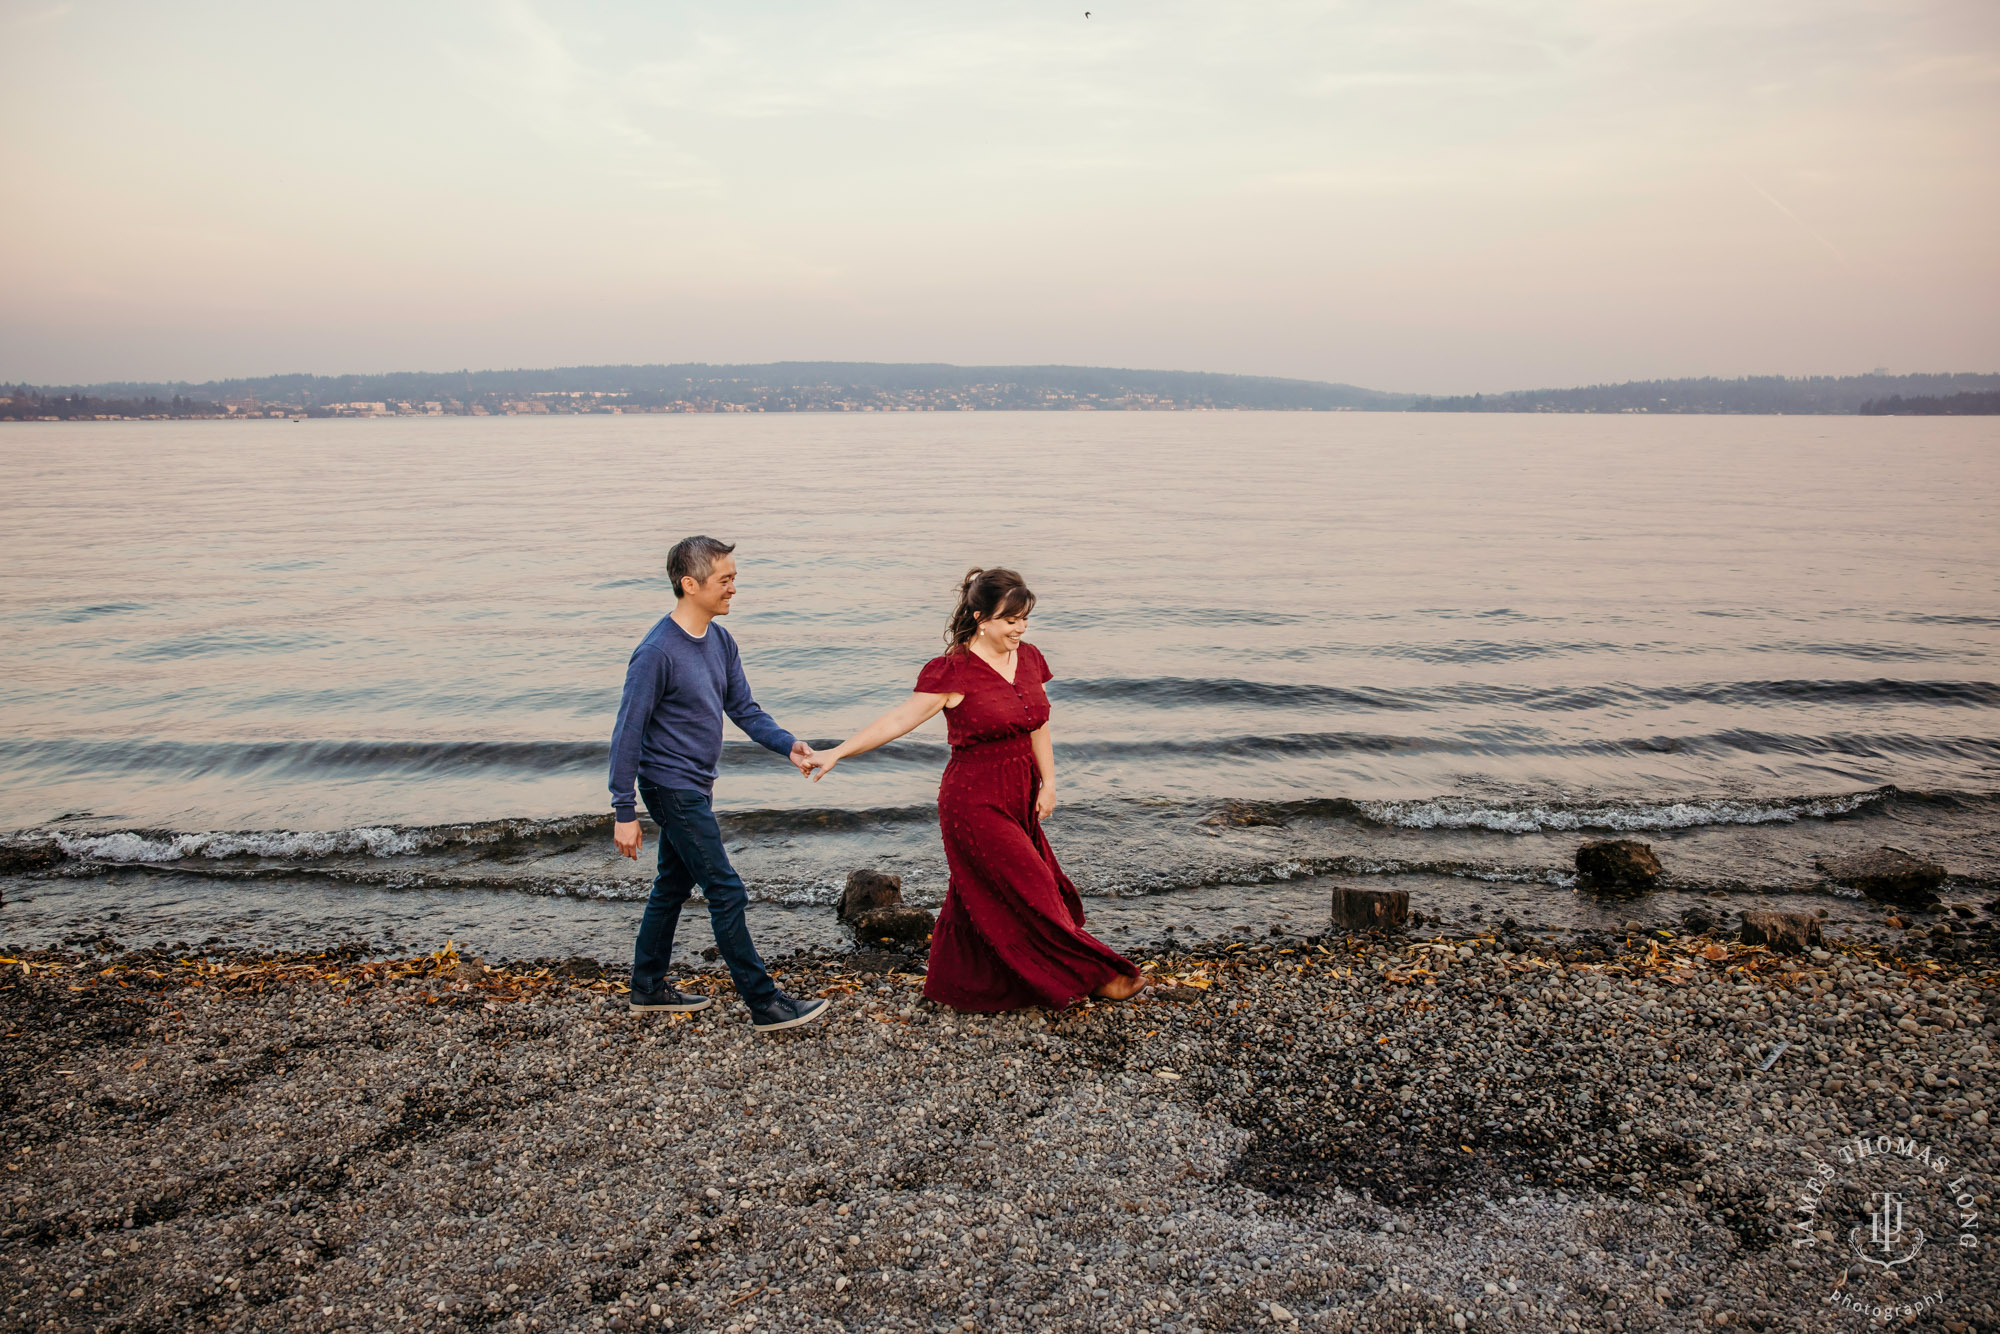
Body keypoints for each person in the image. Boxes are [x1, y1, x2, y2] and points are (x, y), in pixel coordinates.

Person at [802, 567, 1144, 1011]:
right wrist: (837, 752)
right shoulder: (954, 671)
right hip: (974, 799)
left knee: (978, 894)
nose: (1020, 628)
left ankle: (962, 986)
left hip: (1022, 791)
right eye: (1010, 620)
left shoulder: (1031, 658)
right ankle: (1096, 975)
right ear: (981, 618)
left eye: (1024, 619)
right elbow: (898, 720)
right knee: (1035, 888)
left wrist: (1051, 783)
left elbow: (1039, 725)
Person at [608, 535, 832, 1033]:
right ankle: (764, 1002)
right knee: (727, 890)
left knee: (672, 882)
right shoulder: (655, 653)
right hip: (670, 787)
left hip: (696, 784)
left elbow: (743, 708)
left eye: (734, 578)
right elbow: (627, 732)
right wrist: (624, 811)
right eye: (724, 580)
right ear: (690, 585)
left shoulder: (720, 640)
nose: (734, 588)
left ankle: (647, 987)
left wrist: (787, 744)